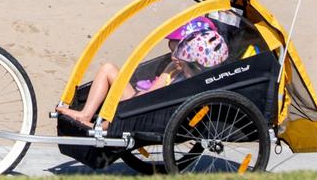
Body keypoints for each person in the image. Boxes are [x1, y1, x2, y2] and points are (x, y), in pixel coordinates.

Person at [56, 16, 229, 126]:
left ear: (192, 56)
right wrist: (132, 99)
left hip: (153, 116)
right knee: (108, 68)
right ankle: (86, 114)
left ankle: (102, 126)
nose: (173, 57)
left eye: (177, 52)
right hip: (144, 105)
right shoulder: (173, 71)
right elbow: (150, 95)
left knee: (125, 106)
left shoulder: (198, 84)